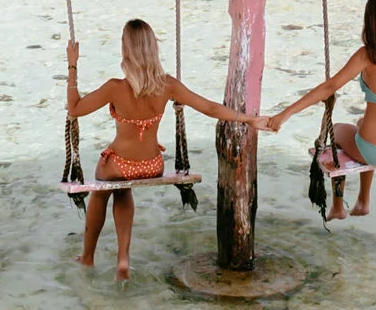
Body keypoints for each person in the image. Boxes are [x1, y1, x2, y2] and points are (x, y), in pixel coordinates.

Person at [67, 19, 260, 280]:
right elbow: (211, 108)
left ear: (126, 49)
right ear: (152, 49)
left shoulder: (115, 88)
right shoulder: (167, 85)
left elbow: (75, 110)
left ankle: (88, 257)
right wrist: (248, 119)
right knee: (122, 188)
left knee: (104, 187)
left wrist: (72, 65)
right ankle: (123, 257)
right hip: (153, 166)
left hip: (120, 166)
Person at [265, 0, 376, 220]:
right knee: (360, 123)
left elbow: (329, 87)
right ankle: (363, 200)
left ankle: (338, 206)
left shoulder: (367, 55)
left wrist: (286, 113)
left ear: (371, 23)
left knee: (335, 131)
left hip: (373, 151)